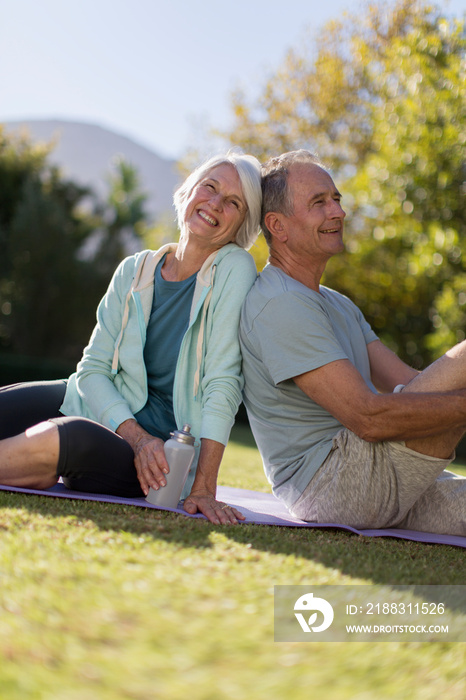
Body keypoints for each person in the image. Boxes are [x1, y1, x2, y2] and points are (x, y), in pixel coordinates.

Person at [0, 150, 262, 525]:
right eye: (209, 187)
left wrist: (203, 487)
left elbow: (223, 381)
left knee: (64, 438)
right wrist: (137, 436)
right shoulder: (133, 270)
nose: (215, 203)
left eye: (233, 202)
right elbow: (92, 370)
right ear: (188, 192)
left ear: (242, 225)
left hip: (162, 455)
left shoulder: (234, 269)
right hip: (108, 414)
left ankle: (39, 461)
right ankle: (30, 463)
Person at [239, 149, 466, 536]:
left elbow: (411, 383)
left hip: (375, 471)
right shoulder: (279, 304)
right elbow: (369, 418)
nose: (338, 212)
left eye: (336, 199)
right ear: (278, 225)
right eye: (319, 203)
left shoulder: (336, 303)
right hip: (333, 484)